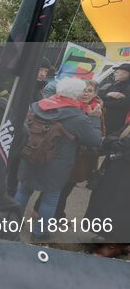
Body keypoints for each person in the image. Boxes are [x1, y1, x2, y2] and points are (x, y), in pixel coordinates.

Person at [14, 78, 103, 240]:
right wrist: (96, 117)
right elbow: (95, 140)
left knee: (23, 190)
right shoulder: (77, 117)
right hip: (57, 163)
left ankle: (12, 223)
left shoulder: (37, 105)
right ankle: (39, 232)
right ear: (77, 94)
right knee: (51, 197)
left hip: (30, 154)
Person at [33, 79, 105, 219]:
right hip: (65, 155)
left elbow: (100, 133)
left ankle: (57, 214)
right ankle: (40, 214)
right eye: (84, 90)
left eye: (90, 91)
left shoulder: (98, 109)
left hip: (82, 158)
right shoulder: (71, 108)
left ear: (95, 94)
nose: (86, 94)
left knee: (67, 188)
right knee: (53, 189)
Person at [84, 111, 130, 257]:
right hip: (116, 173)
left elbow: (121, 143)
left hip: (124, 177)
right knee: (108, 204)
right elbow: (113, 137)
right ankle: (108, 237)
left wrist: (116, 143)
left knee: (120, 209)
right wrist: (116, 143)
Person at [98, 63, 130, 135]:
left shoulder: (128, 87)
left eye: (117, 72)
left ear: (126, 74)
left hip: (117, 122)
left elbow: (123, 103)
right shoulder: (113, 84)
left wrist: (103, 103)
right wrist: (108, 94)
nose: (114, 74)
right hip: (105, 120)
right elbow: (98, 95)